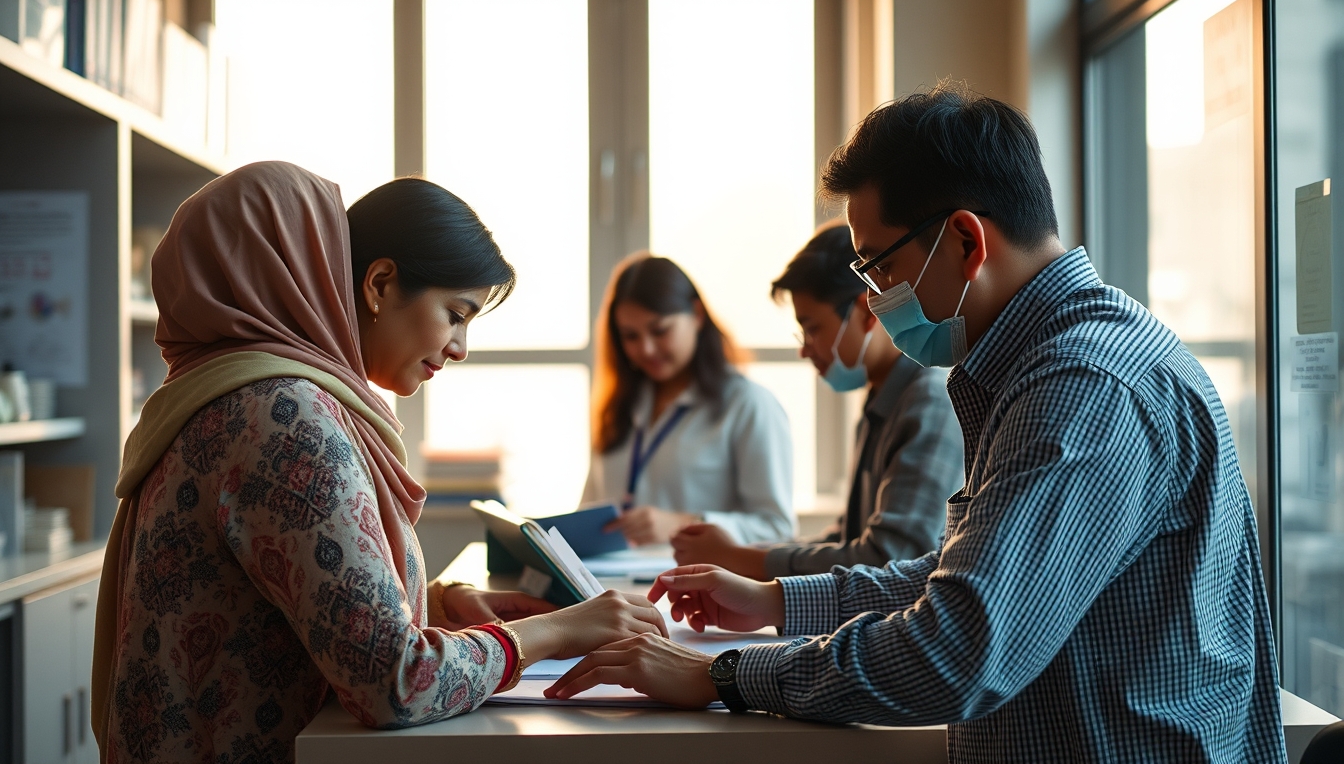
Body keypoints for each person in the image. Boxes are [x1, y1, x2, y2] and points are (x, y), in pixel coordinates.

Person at [544, 83, 1287, 762]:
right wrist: (773, 601)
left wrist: (724, 674)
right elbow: (957, 578)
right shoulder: (1047, 362)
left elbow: (954, 649)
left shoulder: (1083, 385)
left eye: (878, 268)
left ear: (966, 241)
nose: (873, 301)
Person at [91, 163, 667, 763]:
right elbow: (395, 683)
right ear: (380, 284)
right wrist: (562, 631)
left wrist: (443, 605)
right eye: (455, 314)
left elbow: (284, 602)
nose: (460, 348)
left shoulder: (234, 394)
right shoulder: (283, 414)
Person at [670, 224, 963, 579]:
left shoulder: (928, 401)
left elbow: (890, 557)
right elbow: (848, 538)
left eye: (812, 328)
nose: (805, 349)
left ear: (867, 312)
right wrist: (739, 553)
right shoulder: (885, 396)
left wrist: (741, 560)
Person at [583, 253, 795, 546]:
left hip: (696, 587)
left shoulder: (749, 404)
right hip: (612, 587)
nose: (646, 349)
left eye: (660, 331)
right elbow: (588, 512)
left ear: (696, 315)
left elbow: (777, 528)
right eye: (630, 336)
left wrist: (683, 524)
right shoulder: (621, 405)